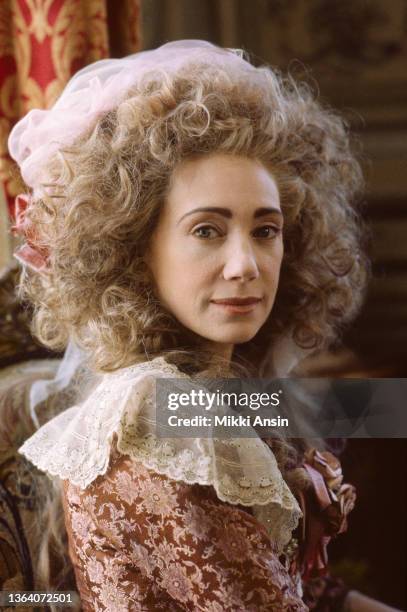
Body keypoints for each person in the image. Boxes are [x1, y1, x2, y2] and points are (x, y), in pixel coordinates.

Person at [7, 40, 400, 611]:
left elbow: (315, 593)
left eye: (265, 230)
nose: (246, 265)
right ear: (136, 250)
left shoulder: (207, 399)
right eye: (207, 231)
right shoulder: (157, 414)